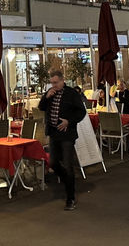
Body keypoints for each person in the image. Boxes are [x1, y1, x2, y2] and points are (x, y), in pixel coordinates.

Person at [38, 69, 86, 211]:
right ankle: (68, 181)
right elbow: (41, 108)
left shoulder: (71, 93)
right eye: (52, 83)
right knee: (52, 162)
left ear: (62, 80)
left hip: (67, 134)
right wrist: (46, 97)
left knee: (68, 164)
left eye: (56, 82)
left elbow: (81, 112)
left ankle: (70, 198)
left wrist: (68, 121)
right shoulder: (50, 93)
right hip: (54, 133)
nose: (54, 85)